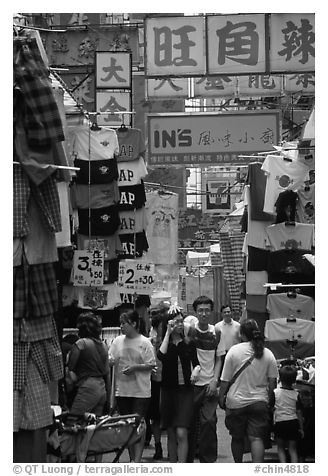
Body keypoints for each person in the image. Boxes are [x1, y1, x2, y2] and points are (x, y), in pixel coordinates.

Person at [218, 319, 279, 463]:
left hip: (236, 403)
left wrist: (221, 398)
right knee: (257, 438)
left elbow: (225, 380)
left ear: (242, 335)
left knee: (237, 438)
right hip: (259, 402)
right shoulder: (268, 353)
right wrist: (269, 400)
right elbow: (272, 383)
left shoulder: (234, 351)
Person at [109, 309, 156, 463]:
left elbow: (151, 365)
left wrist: (136, 367)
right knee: (127, 427)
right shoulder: (117, 341)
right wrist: (109, 360)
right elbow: (111, 359)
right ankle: (132, 459)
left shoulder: (145, 342)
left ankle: (137, 459)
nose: (121, 326)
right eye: (121, 323)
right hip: (122, 390)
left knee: (139, 425)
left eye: (124, 323)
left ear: (134, 324)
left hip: (141, 391)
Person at [158, 306, 200, 463]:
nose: (180, 324)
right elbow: (161, 356)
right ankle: (172, 465)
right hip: (168, 391)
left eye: (182, 321)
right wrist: (168, 333)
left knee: (182, 431)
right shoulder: (165, 343)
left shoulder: (189, 343)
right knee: (171, 432)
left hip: (185, 392)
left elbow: (197, 363)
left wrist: (196, 370)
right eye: (176, 322)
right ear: (168, 324)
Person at [186, 295, 222, 463]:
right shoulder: (189, 331)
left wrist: (215, 380)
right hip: (192, 385)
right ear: (195, 312)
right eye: (200, 310)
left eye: (207, 310)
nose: (204, 314)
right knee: (190, 423)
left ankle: (208, 461)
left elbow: (219, 358)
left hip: (209, 384)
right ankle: (188, 458)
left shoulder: (217, 332)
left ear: (212, 312)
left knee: (209, 421)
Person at [67, 312, 111, 417]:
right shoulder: (104, 345)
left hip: (87, 387)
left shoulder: (81, 344)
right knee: (93, 427)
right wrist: (108, 398)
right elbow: (107, 373)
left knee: (74, 423)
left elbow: (70, 370)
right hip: (101, 388)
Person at [147, 303, 170, 460]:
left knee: (167, 416)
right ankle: (158, 446)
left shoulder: (171, 333)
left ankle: (167, 448)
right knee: (155, 416)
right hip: (156, 379)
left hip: (169, 380)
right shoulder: (151, 335)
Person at [273, 365, 304, 463]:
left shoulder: (275, 393)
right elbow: (299, 412)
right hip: (293, 423)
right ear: (294, 380)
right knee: (293, 449)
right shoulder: (296, 394)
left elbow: (271, 407)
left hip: (280, 422)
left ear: (280, 379)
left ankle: (283, 467)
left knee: (281, 448)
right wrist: (301, 428)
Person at [215, 305, 241, 378]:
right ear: (222, 314)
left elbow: (240, 340)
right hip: (222, 354)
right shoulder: (217, 326)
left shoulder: (238, 325)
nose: (227, 313)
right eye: (225, 312)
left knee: (234, 374)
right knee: (223, 375)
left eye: (228, 312)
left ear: (231, 313)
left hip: (234, 353)